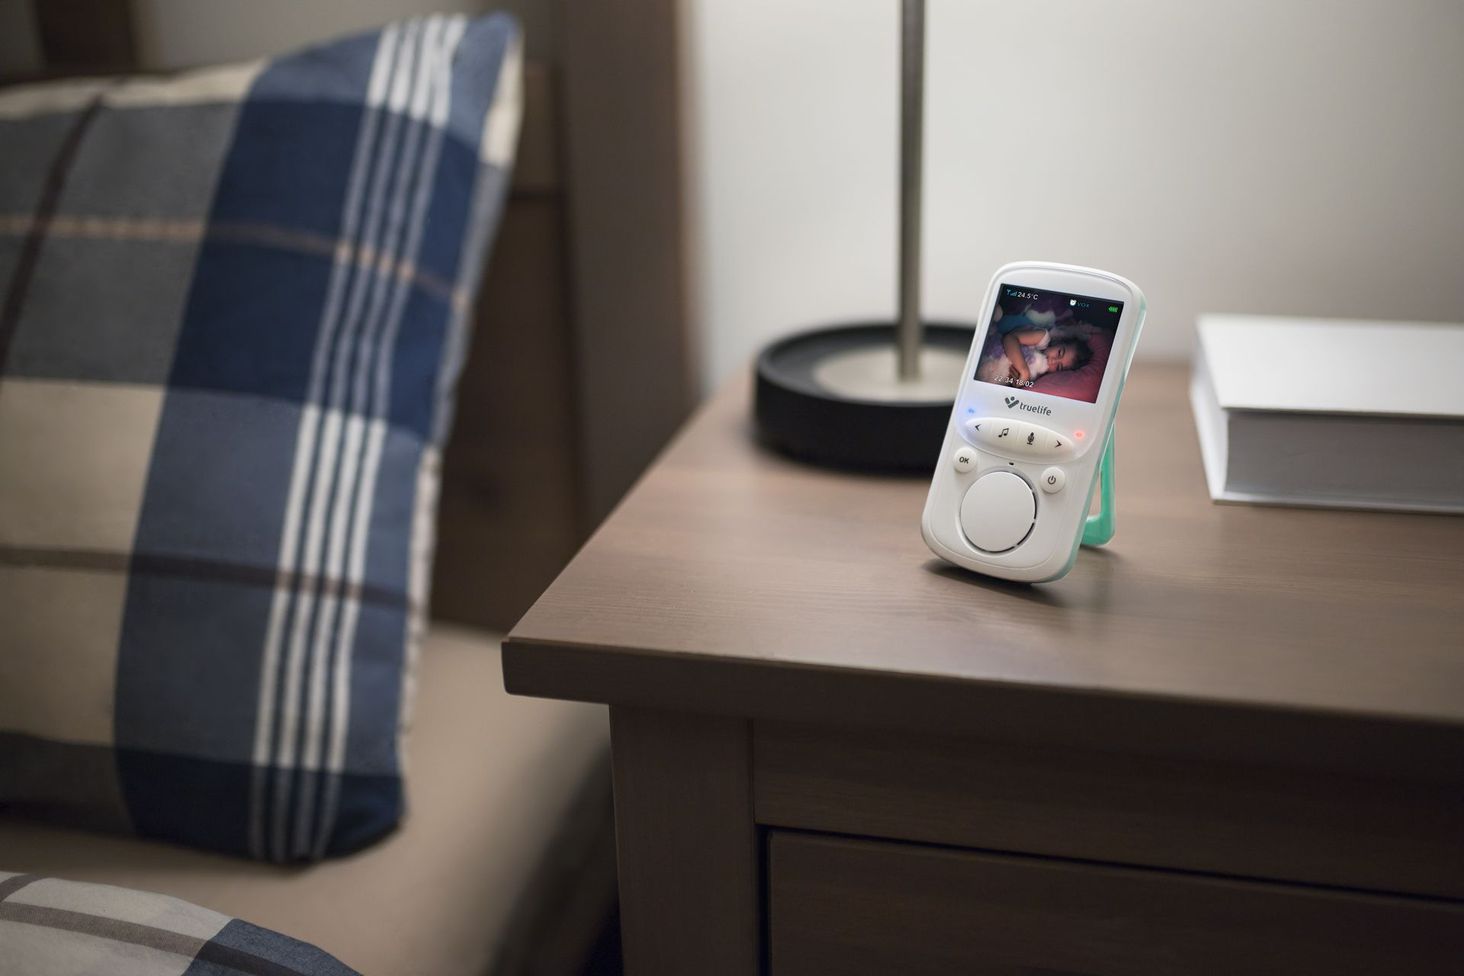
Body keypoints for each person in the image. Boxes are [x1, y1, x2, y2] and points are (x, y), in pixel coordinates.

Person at [976, 327, 1091, 387]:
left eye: (1059, 367)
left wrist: (1016, 383)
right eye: (1059, 353)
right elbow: (1010, 339)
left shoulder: (1039, 377)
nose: (1053, 361)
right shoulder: (1042, 338)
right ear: (1058, 342)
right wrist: (1023, 370)